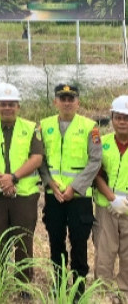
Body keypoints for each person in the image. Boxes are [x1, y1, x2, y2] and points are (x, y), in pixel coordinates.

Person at [0, 82, 43, 290]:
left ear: (18, 106)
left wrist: (13, 178)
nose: (7, 108)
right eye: (3, 104)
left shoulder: (31, 128)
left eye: (11, 104)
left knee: (23, 240)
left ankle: (23, 285)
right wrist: (1, 179)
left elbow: (37, 157)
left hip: (23, 195)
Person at [38, 84, 101, 295]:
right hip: (53, 194)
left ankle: (78, 289)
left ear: (77, 102)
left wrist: (75, 187)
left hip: (79, 197)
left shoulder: (90, 126)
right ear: (55, 101)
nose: (66, 102)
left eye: (71, 98)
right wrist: (49, 182)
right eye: (62, 98)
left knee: (79, 243)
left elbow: (95, 160)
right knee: (56, 241)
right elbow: (40, 160)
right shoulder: (44, 126)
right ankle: (58, 285)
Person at [94, 95, 128, 297]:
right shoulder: (101, 142)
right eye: (118, 117)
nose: (122, 121)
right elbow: (95, 173)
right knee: (104, 255)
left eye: (126, 117)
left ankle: (124, 293)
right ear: (112, 118)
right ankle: (103, 294)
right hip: (106, 208)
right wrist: (112, 198)